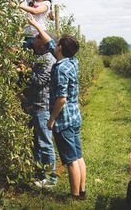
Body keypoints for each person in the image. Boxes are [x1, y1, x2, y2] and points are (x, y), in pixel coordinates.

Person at [27, 16, 87, 200]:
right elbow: (50, 41)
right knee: (78, 156)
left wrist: (51, 119)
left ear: (60, 49)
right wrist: (36, 25)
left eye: (58, 43)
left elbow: (61, 99)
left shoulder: (60, 69)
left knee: (69, 161)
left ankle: (74, 195)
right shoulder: (71, 61)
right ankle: (82, 191)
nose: (55, 45)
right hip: (74, 116)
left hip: (64, 119)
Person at [22, 34, 58, 188]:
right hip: (36, 105)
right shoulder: (40, 56)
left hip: (42, 106)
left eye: (36, 39)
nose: (32, 42)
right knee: (37, 142)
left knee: (45, 142)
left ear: (42, 44)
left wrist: (26, 70)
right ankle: (40, 174)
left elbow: (40, 81)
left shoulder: (48, 59)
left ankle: (51, 179)